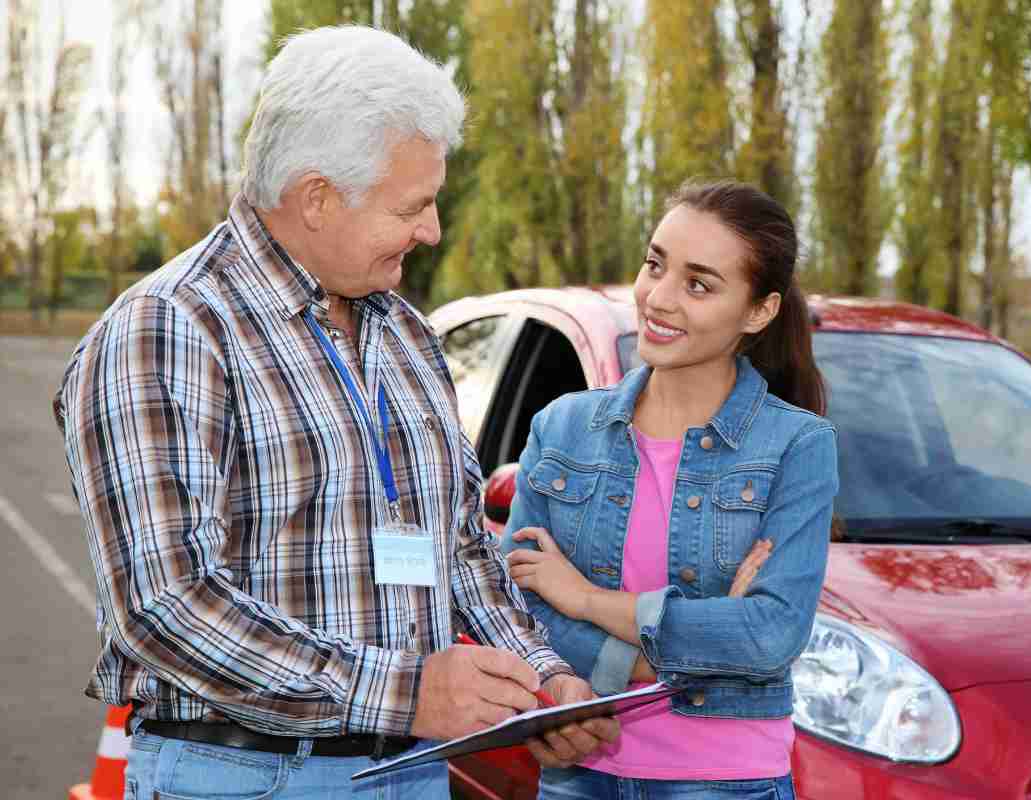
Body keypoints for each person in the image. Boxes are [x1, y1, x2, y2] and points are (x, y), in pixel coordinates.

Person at [55, 25, 615, 799]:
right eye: (412, 206)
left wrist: (541, 682)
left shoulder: (407, 333)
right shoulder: (171, 330)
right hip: (246, 776)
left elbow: (461, 555)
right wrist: (409, 692)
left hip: (411, 771)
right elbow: (165, 609)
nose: (432, 231)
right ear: (316, 196)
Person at [501, 180, 838, 799]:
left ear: (758, 311)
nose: (658, 298)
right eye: (655, 264)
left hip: (724, 781)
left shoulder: (796, 446)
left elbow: (768, 636)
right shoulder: (562, 427)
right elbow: (513, 605)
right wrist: (665, 653)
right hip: (581, 774)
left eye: (698, 284)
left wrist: (584, 599)